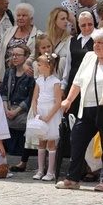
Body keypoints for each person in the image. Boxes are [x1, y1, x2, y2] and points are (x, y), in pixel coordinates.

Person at [56, 28, 103, 192]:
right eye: (95, 42)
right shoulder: (89, 57)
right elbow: (77, 82)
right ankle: (73, 178)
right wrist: (68, 100)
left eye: (101, 43)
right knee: (77, 141)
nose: (96, 46)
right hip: (86, 108)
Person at [30, 52, 63, 181]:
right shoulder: (38, 80)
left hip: (51, 112)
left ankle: (50, 171)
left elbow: (58, 101)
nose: (37, 67)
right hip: (40, 111)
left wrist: (49, 117)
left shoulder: (55, 82)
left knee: (51, 141)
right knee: (41, 141)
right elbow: (34, 98)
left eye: (39, 65)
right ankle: (40, 170)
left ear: (48, 66)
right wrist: (35, 113)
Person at [0, 44, 35, 155]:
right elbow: (4, 92)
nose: (14, 57)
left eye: (17, 55)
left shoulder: (31, 75)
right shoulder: (9, 72)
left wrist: (16, 111)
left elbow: (30, 97)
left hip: (23, 111)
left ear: (25, 57)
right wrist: (6, 109)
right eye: (13, 55)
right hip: (9, 108)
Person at [0, 3, 41, 80]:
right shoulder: (9, 31)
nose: (20, 18)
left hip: (26, 77)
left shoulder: (38, 35)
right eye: (18, 15)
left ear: (31, 18)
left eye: (24, 15)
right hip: (6, 75)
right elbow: (0, 53)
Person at [46, 7, 72, 91]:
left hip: (60, 80)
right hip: (44, 77)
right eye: (62, 19)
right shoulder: (44, 38)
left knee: (62, 60)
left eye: (67, 19)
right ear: (54, 21)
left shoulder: (70, 40)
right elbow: (34, 56)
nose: (66, 22)